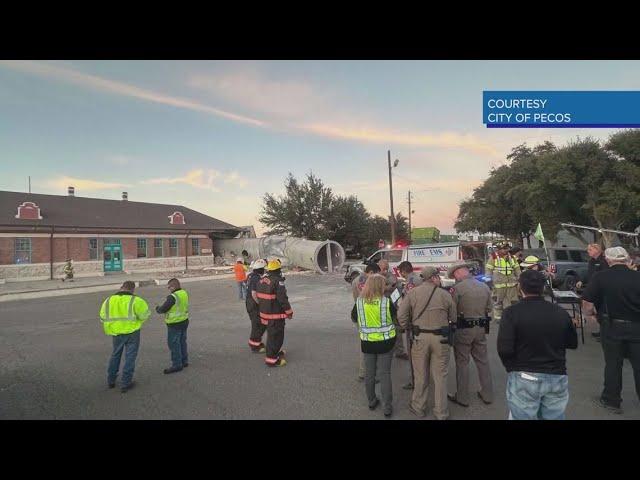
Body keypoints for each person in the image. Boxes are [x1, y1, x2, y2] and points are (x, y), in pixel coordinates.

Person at [497, 270, 578, 420]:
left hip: (524, 374)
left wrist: (512, 368)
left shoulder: (511, 313)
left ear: (520, 288)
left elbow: (504, 348)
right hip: (557, 374)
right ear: (543, 288)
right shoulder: (560, 312)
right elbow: (572, 343)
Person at [582, 246, 640, 414]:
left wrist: (591, 315)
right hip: (637, 327)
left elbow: (587, 302)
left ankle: (612, 400)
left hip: (612, 326)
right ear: (627, 259)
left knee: (613, 364)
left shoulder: (601, 277)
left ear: (608, 260)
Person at [398, 266, 456, 420]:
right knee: (440, 376)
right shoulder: (445, 295)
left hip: (420, 338)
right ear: (434, 278)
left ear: (424, 278)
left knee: (420, 375)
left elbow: (401, 315)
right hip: (441, 339)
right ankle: (441, 412)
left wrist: (406, 326)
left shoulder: (412, 293)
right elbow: (454, 318)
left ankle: (418, 407)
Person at [446, 261, 494, 408]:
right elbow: (489, 307)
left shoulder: (457, 289)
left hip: (463, 329)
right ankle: (487, 394)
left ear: (460, 272)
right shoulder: (484, 286)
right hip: (480, 328)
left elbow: (452, 311)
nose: (455, 278)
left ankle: (462, 397)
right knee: (483, 361)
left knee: (462, 362)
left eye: (455, 275)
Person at [351, 274, 397, 417]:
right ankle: (387, 407)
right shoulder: (386, 302)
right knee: (385, 374)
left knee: (369, 374)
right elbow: (395, 317)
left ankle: (371, 401)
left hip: (367, 343)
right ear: (380, 286)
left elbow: (354, 317)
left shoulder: (359, 302)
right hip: (386, 343)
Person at [99, 281, 151, 392]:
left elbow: (102, 317)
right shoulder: (136, 300)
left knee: (115, 355)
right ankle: (126, 383)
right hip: (132, 332)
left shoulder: (108, 300)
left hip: (116, 333)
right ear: (133, 290)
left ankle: (111, 380)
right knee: (130, 357)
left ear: (121, 287)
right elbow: (144, 315)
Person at [257, 259, 293, 367]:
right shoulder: (277, 281)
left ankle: (275, 353)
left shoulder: (261, 280)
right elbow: (283, 299)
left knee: (272, 336)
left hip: (265, 314)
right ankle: (272, 359)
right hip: (275, 316)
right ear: (278, 270)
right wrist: (289, 312)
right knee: (276, 337)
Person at [352, 262, 382, 381]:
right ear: (370, 273)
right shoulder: (363, 281)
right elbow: (368, 298)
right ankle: (364, 373)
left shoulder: (359, 279)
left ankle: (367, 372)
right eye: (376, 275)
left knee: (367, 344)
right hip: (366, 316)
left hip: (362, 314)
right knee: (366, 346)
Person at [396, 260, 422, 389]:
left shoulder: (410, 283)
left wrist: (403, 323)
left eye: (401, 272)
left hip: (413, 322)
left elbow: (407, 304)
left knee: (413, 354)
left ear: (404, 271)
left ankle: (414, 381)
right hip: (422, 320)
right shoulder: (419, 279)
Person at [155, 278, 190, 374]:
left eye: (169, 287)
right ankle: (184, 360)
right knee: (182, 342)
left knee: (174, 344)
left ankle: (177, 364)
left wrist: (158, 309)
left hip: (174, 323)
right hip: (184, 320)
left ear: (173, 286)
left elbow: (163, 309)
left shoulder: (172, 297)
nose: (168, 289)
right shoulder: (184, 293)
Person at [577, 243, 609, 339]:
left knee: (602, 311)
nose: (588, 251)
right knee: (595, 311)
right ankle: (602, 330)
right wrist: (581, 281)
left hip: (602, 290)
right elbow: (589, 274)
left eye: (590, 249)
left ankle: (605, 333)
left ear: (597, 250)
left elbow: (605, 276)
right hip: (592, 289)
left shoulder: (604, 261)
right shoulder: (591, 261)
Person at [486, 242, 520, 323]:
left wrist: (519, 278)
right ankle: (498, 319)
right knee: (498, 302)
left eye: (507, 248)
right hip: (498, 286)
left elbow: (517, 269)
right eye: (504, 249)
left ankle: (512, 317)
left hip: (511, 285)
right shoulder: (493, 257)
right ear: (499, 249)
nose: (506, 250)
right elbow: (488, 270)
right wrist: (489, 281)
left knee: (513, 302)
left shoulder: (512, 258)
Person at [378, 259, 405, 359]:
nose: (385, 271)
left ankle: (400, 351)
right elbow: (375, 289)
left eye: (386, 268)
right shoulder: (375, 277)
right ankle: (383, 350)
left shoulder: (391, 275)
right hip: (380, 307)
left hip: (392, 305)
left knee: (397, 328)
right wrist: (388, 287)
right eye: (383, 268)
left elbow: (396, 286)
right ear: (379, 267)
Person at [246, 259, 267, 353]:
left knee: (258, 324)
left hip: (249, 302)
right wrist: (260, 303)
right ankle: (254, 345)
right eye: (264, 269)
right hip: (253, 303)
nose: (265, 270)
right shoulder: (256, 278)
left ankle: (256, 342)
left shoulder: (251, 275)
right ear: (260, 269)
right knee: (258, 325)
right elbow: (254, 293)